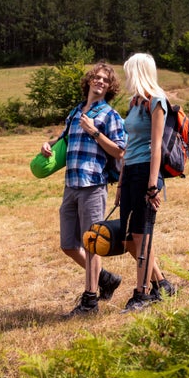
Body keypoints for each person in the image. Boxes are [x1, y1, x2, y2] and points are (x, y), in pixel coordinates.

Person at [40, 62, 126, 317]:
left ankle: (90, 302)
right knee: (68, 244)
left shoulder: (110, 115)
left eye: (104, 80)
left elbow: (121, 150)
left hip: (93, 185)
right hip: (71, 184)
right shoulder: (75, 111)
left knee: (91, 245)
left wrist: (95, 132)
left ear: (109, 87)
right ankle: (106, 278)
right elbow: (64, 139)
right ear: (89, 81)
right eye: (96, 78)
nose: (99, 82)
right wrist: (48, 145)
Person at [117, 53, 176, 313]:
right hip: (129, 171)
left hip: (146, 173)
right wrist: (120, 183)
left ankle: (141, 295)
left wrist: (153, 185)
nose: (126, 76)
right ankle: (162, 284)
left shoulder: (157, 102)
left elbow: (156, 148)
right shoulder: (134, 102)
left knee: (141, 235)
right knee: (128, 239)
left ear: (138, 71)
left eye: (129, 71)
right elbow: (129, 145)